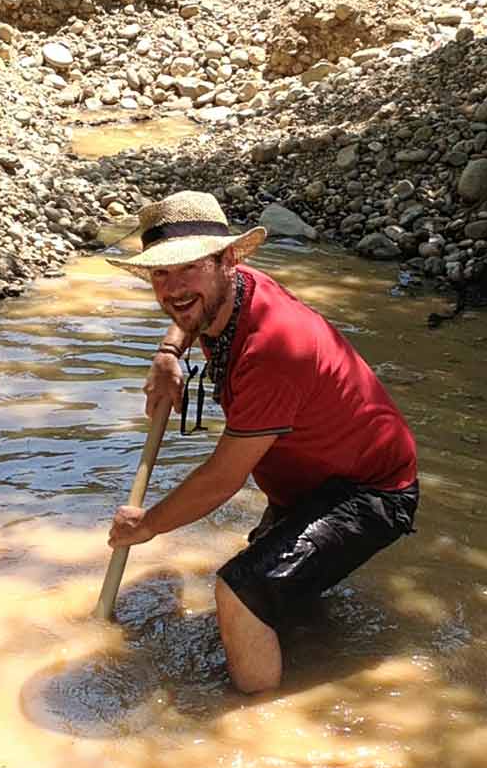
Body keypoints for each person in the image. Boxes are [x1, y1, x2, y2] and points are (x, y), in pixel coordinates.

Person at [105, 190, 419, 693]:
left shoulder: (274, 348)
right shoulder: (229, 294)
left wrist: (148, 526)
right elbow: (189, 311)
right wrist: (168, 353)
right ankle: (310, 651)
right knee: (282, 591)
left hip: (371, 491)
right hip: (309, 481)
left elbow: (223, 478)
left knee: (241, 593)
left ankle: (252, 723)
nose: (173, 288)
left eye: (187, 268)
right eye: (160, 274)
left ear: (226, 259)